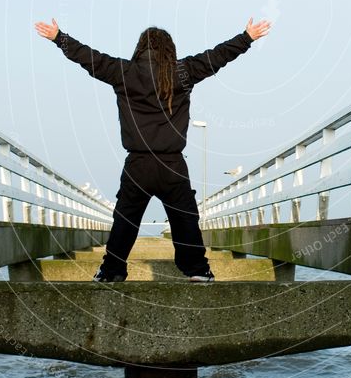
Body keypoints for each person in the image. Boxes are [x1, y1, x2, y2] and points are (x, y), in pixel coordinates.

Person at [34, 16, 271, 282]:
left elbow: (90, 58)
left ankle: (112, 271)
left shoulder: (123, 72)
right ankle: (197, 270)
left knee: (125, 219)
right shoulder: (183, 72)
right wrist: (247, 37)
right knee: (185, 219)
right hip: (172, 164)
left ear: (140, 48)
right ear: (169, 49)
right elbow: (216, 57)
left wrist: (59, 38)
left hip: (138, 164)